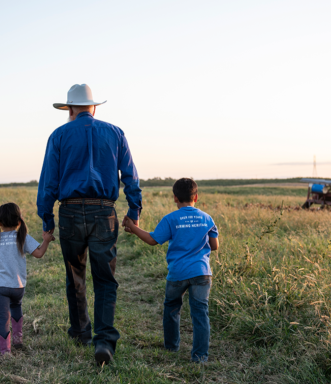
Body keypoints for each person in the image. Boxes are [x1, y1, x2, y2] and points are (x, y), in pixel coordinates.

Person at [37, 84, 142, 366]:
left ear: (70, 109)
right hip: (104, 212)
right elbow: (131, 176)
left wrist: (47, 218)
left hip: (70, 213)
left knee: (75, 275)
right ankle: (104, 341)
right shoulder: (116, 133)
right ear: (94, 107)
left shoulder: (58, 135)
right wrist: (134, 210)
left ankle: (81, 333)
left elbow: (48, 182)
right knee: (105, 280)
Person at [123, 178, 219, 363]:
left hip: (178, 273)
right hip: (202, 272)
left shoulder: (170, 219)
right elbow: (214, 246)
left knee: (172, 308)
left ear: (175, 198)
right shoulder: (207, 218)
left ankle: (171, 346)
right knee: (200, 313)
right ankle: (200, 356)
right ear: (196, 197)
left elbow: (153, 240)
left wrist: (133, 228)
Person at [0, 202, 54, 355]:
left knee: (3, 318)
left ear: (0, 223)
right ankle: (18, 340)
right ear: (19, 221)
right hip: (17, 286)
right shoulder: (22, 237)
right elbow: (39, 253)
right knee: (16, 308)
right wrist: (46, 241)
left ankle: (5, 352)